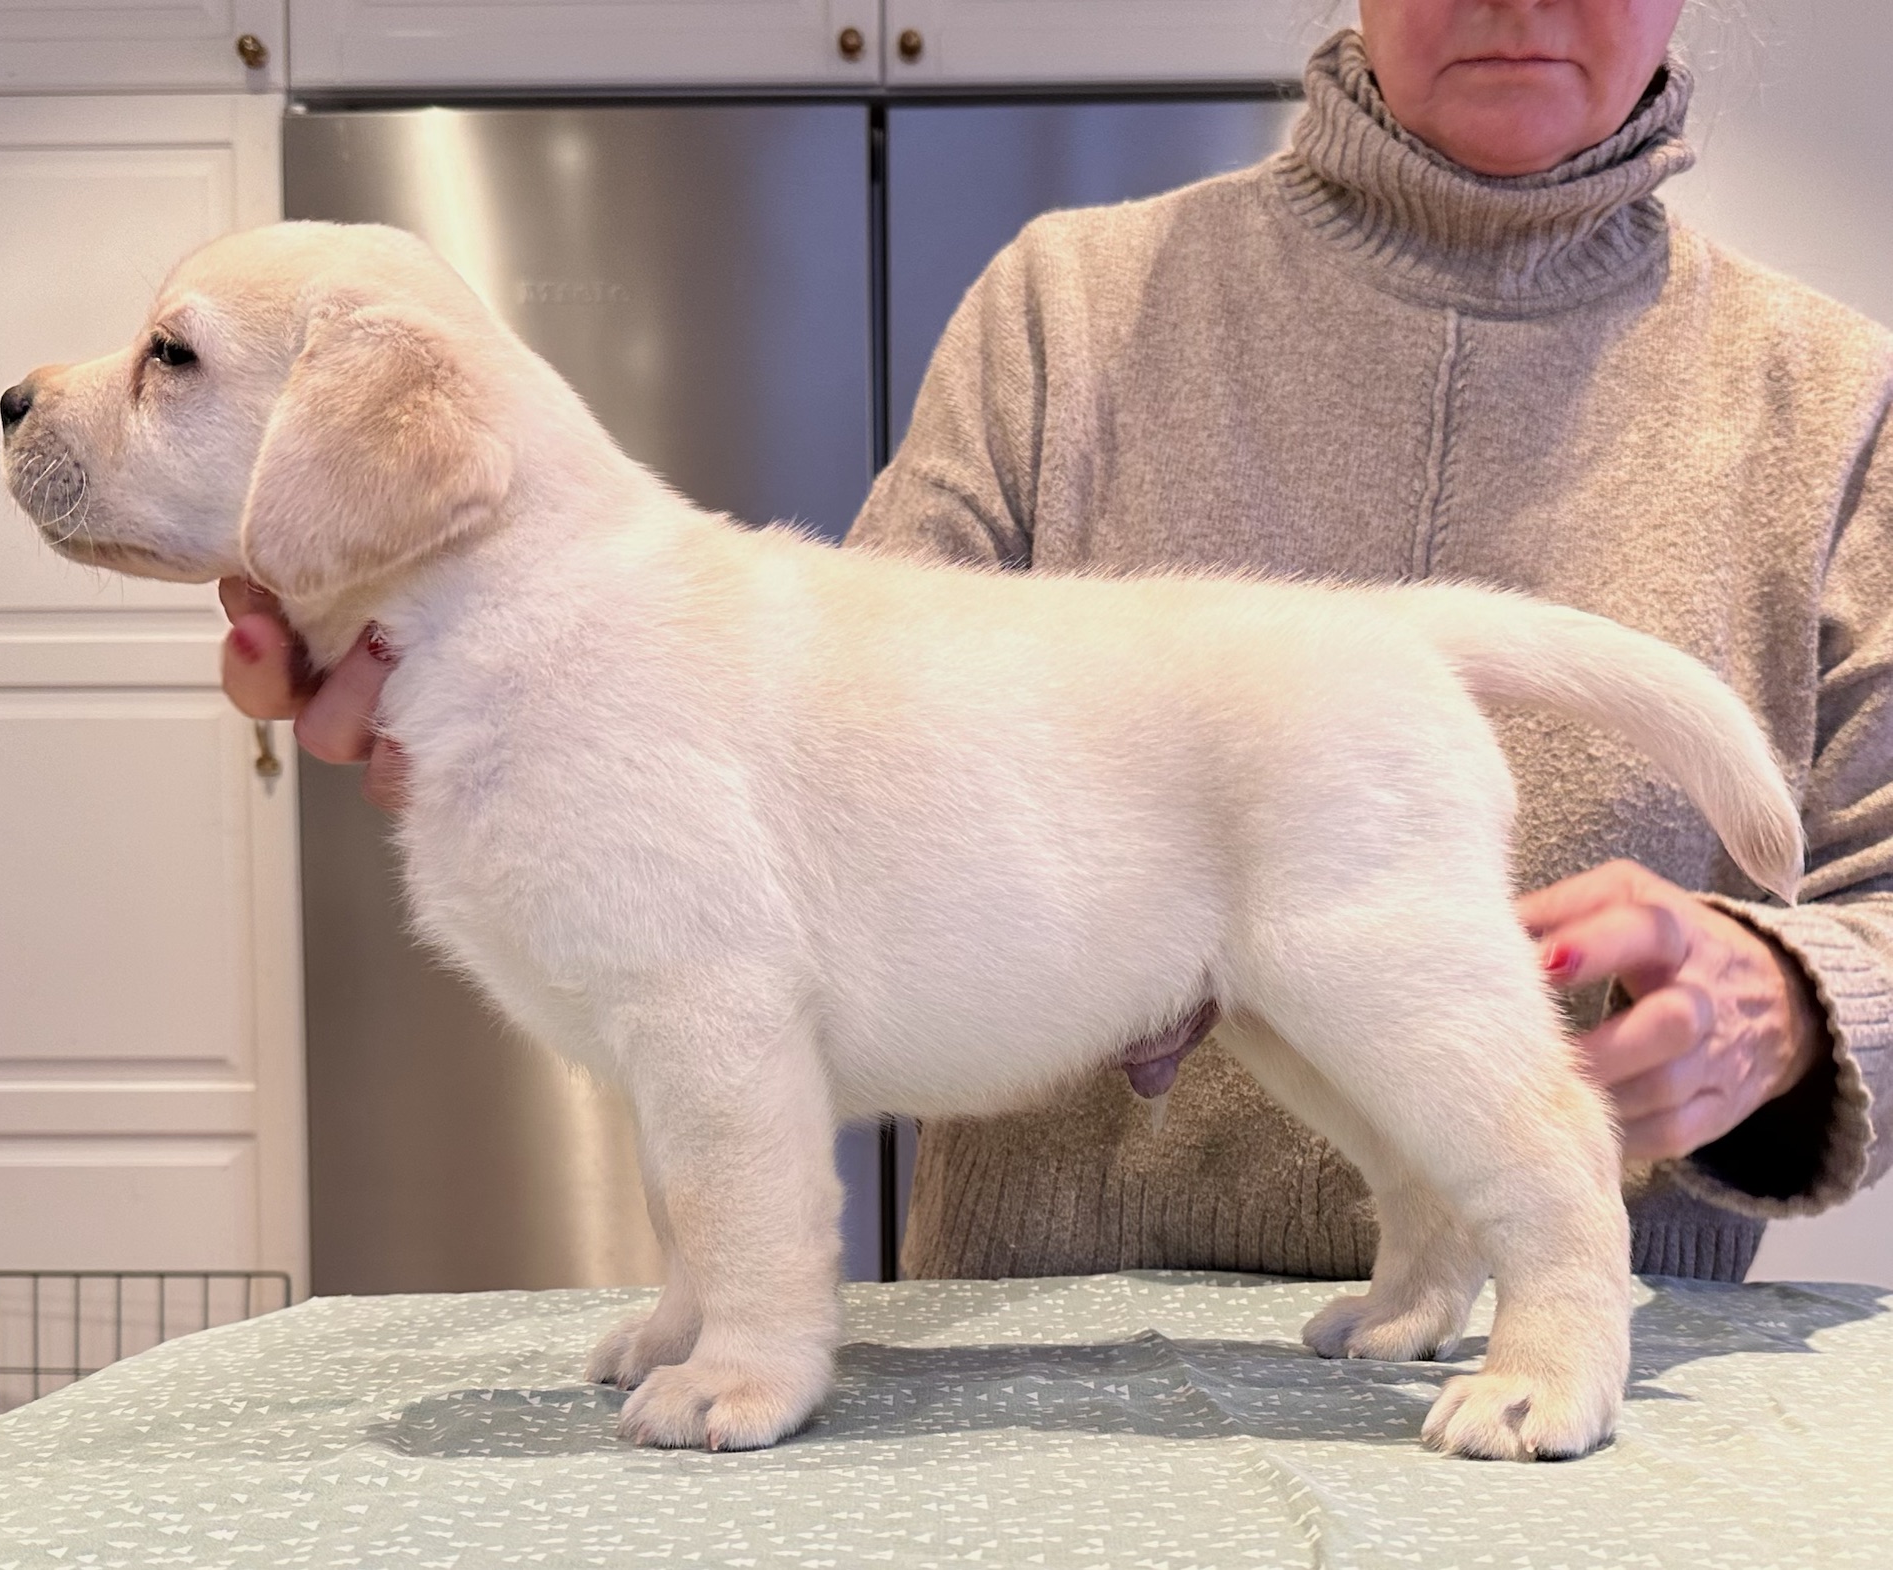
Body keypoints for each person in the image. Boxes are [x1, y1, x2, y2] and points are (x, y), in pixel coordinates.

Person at [223, 0, 1893, 1287]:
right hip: (1044, 1366)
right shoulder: (1069, 304)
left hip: (1601, 1420)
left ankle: (1534, 1274)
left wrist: (1799, 999)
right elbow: (799, 763)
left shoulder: (1837, 400)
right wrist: (513, 736)